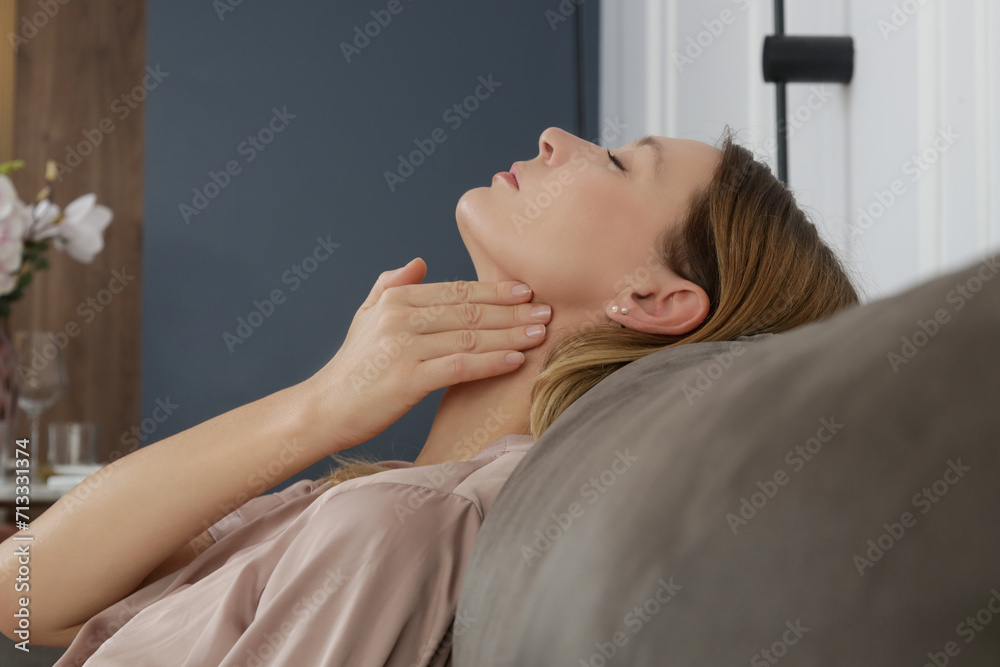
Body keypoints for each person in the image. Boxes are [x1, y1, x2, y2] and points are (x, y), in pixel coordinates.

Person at [0, 126, 860, 665]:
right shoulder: (376, 497)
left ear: (654, 299)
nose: (558, 137)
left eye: (619, 161)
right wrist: (321, 405)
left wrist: (323, 406)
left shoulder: (406, 522)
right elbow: (23, 594)